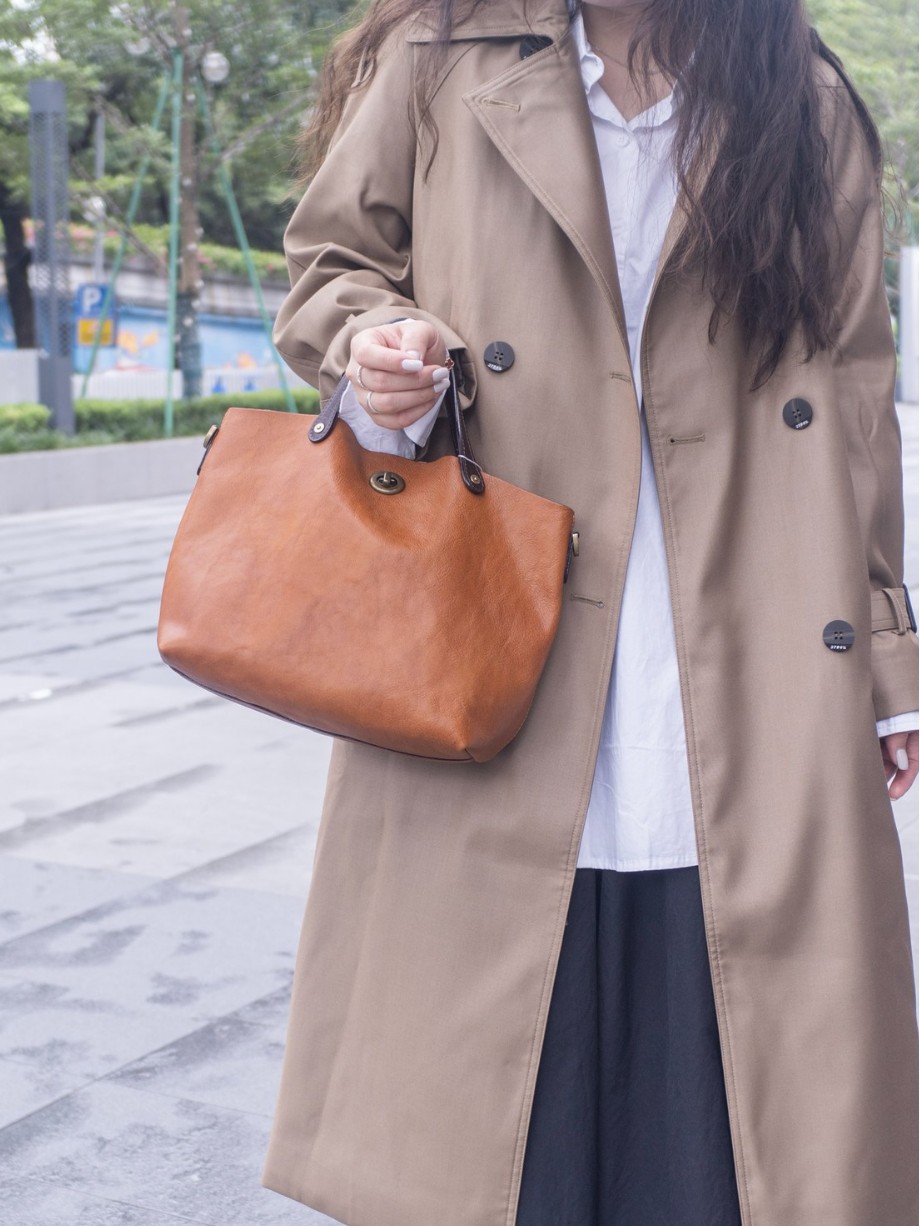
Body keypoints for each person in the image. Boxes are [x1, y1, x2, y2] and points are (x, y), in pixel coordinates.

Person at [261, 1, 919, 1223]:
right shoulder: (439, 57)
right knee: (499, 1130)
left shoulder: (800, 98)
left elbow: (849, 381)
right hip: (495, 627)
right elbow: (331, 265)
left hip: (744, 636)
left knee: (735, 1128)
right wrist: (376, 347)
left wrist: (887, 652)